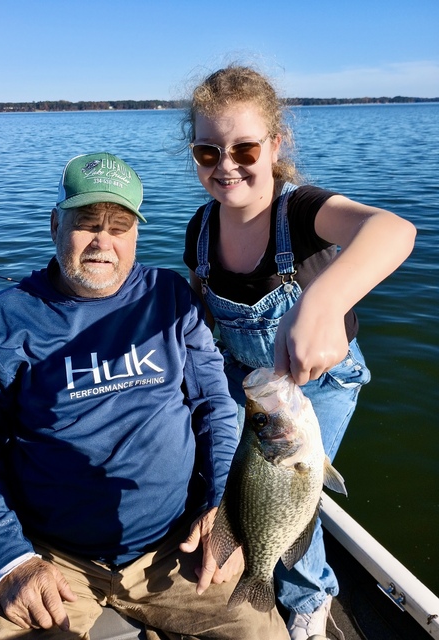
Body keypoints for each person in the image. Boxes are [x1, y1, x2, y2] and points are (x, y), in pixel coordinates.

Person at [0, 152, 289, 640]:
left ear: (136, 233)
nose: (102, 241)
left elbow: (214, 406)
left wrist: (223, 504)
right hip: (55, 557)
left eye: (119, 226)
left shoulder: (171, 297)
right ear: (55, 224)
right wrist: (10, 559)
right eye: (87, 222)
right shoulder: (3, 322)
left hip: (179, 545)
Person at [182, 65, 417, 640]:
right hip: (252, 382)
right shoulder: (200, 229)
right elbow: (200, 313)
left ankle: (310, 598)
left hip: (320, 387)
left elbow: (393, 230)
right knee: (229, 481)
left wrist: (325, 301)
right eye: (208, 153)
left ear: (275, 144)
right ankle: (233, 554)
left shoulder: (302, 211)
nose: (227, 165)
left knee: (296, 491)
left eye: (244, 147)